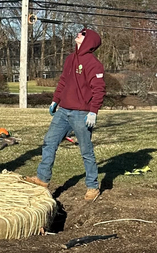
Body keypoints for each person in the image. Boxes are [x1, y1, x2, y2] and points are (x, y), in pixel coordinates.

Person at [27, 27, 106, 201]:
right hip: (63, 111)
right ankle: (42, 178)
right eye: (79, 32)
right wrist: (55, 100)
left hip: (81, 114)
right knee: (49, 142)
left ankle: (92, 187)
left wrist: (93, 112)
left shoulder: (94, 64)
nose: (78, 34)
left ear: (90, 41)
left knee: (86, 150)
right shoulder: (70, 58)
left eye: (83, 34)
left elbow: (99, 90)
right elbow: (64, 81)